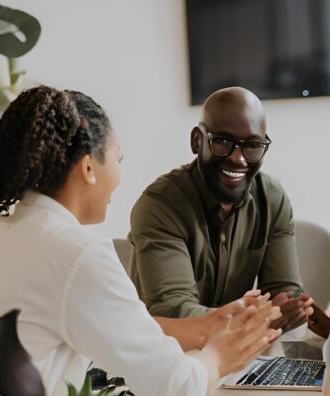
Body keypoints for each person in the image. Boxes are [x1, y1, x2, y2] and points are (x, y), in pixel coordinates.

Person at [0, 87, 280, 396]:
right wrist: (219, 356)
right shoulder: (77, 255)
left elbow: (102, 323)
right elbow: (176, 393)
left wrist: (204, 329)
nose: (120, 176)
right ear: (88, 168)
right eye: (118, 159)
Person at [129, 87, 313, 332]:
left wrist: (292, 306)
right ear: (197, 140)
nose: (238, 158)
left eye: (253, 145)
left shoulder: (272, 198)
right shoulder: (160, 205)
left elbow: (284, 292)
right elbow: (173, 311)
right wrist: (255, 319)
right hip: (165, 354)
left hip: (236, 353)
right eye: (223, 142)